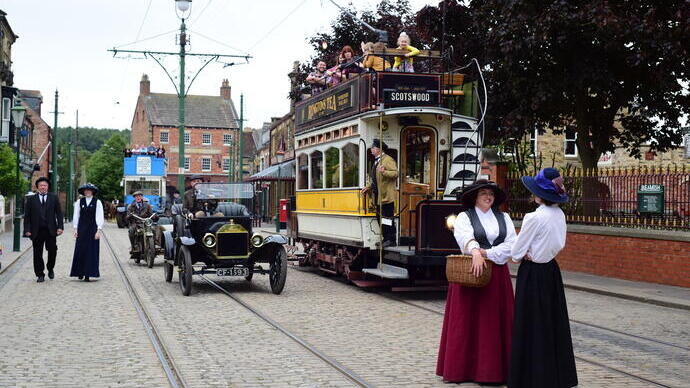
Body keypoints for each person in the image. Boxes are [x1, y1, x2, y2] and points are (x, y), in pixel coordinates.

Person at [436, 180, 516, 384]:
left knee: (493, 323)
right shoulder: (465, 216)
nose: (488, 197)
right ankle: (462, 370)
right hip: (472, 272)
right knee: (466, 323)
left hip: (496, 274)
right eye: (483, 193)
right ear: (475, 197)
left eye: (491, 193)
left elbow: (512, 245)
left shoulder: (504, 217)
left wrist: (487, 252)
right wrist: (474, 252)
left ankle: (493, 371)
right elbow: (464, 237)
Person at [508, 168, 578, 388]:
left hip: (533, 272)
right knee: (551, 323)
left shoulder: (533, 218)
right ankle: (556, 376)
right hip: (551, 270)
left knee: (531, 324)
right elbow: (560, 244)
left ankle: (530, 377)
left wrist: (526, 253)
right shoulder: (560, 215)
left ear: (540, 194)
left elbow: (516, 253)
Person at [23, 177, 64, 282]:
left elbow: (59, 213)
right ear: (37, 187)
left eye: (45, 185)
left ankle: (50, 268)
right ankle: (40, 274)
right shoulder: (31, 200)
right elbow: (27, 216)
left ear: (47, 187)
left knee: (52, 250)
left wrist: (60, 227)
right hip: (36, 231)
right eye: (41, 185)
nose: (43, 187)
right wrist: (27, 229)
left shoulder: (53, 198)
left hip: (51, 230)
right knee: (37, 253)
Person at [360, 139, 398, 247]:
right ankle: (385, 238)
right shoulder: (377, 161)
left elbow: (395, 173)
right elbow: (374, 179)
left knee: (387, 218)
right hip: (378, 196)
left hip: (386, 196)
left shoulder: (387, 160)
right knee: (380, 218)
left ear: (378, 149)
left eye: (373, 148)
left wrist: (384, 172)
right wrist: (368, 187)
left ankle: (391, 240)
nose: (371, 150)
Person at [70, 183, 104, 282]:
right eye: (86, 190)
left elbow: (99, 216)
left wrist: (99, 230)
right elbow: (76, 216)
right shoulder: (79, 202)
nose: (87, 192)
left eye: (89, 190)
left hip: (93, 228)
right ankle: (79, 272)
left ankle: (89, 273)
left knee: (91, 251)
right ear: (84, 192)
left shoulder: (97, 202)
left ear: (92, 191)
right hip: (82, 229)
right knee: (80, 250)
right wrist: (75, 229)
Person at [126, 191, 153, 256]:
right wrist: (130, 215)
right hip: (135, 223)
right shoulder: (130, 206)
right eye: (136, 196)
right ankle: (133, 246)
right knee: (131, 231)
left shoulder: (147, 205)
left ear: (142, 197)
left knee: (154, 230)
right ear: (134, 198)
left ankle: (152, 245)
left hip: (145, 223)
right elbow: (127, 217)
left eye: (139, 196)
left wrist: (155, 216)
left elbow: (151, 214)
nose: (138, 197)